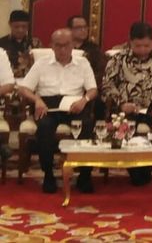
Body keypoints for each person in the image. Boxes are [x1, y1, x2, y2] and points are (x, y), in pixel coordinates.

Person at [17, 28, 97, 194]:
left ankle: (84, 175)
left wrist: (84, 100)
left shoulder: (82, 63)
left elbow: (92, 89)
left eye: (66, 45)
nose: (62, 50)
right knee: (45, 127)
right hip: (48, 105)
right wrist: (37, 100)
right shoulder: (41, 64)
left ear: (73, 45)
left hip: (74, 104)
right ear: (51, 46)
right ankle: (48, 175)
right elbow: (24, 88)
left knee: (87, 124)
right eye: (58, 46)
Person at [101, 22, 152, 185]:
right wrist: (121, 104)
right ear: (130, 41)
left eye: (146, 45)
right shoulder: (118, 59)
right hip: (126, 108)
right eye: (138, 45)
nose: (142, 49)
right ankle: (137, 169)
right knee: (124, 130)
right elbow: (107, 85)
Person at [67, 15, 106, 119]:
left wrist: (88, 86)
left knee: (99, 101)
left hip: (88, 87)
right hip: (66, 87)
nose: (83, 30)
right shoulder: (65, 48)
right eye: (79, 28)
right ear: (70, 30)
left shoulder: (94, 49)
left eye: (85, 27)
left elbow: (100, 71)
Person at [0, 10, 42, 79]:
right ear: (10, 24)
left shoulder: (36, 43)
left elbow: (43, 64)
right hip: (7, 82)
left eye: (24, 26)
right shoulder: (1, 43)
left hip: (32, 81)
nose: (20, 30)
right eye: (16, 27)